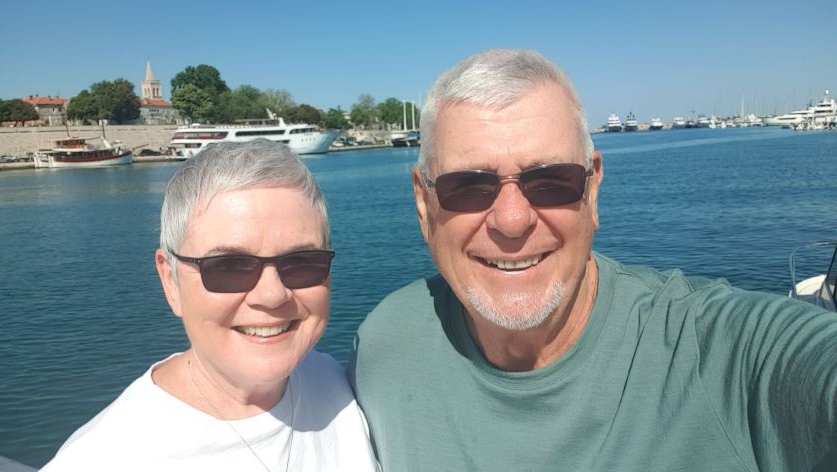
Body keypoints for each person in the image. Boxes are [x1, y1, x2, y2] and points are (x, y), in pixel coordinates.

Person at [349, 49, 837, 471]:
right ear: (423, 203)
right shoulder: (385, 346)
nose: (512, 220)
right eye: (469, 186)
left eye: (551, 181)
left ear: (593, 189)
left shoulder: (718, 354)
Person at [44, 140, 378, 471]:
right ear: (170, 280)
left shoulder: (339, 384)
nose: (272, 295)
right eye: (229, 267)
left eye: (303, 262)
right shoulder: (100, 459)